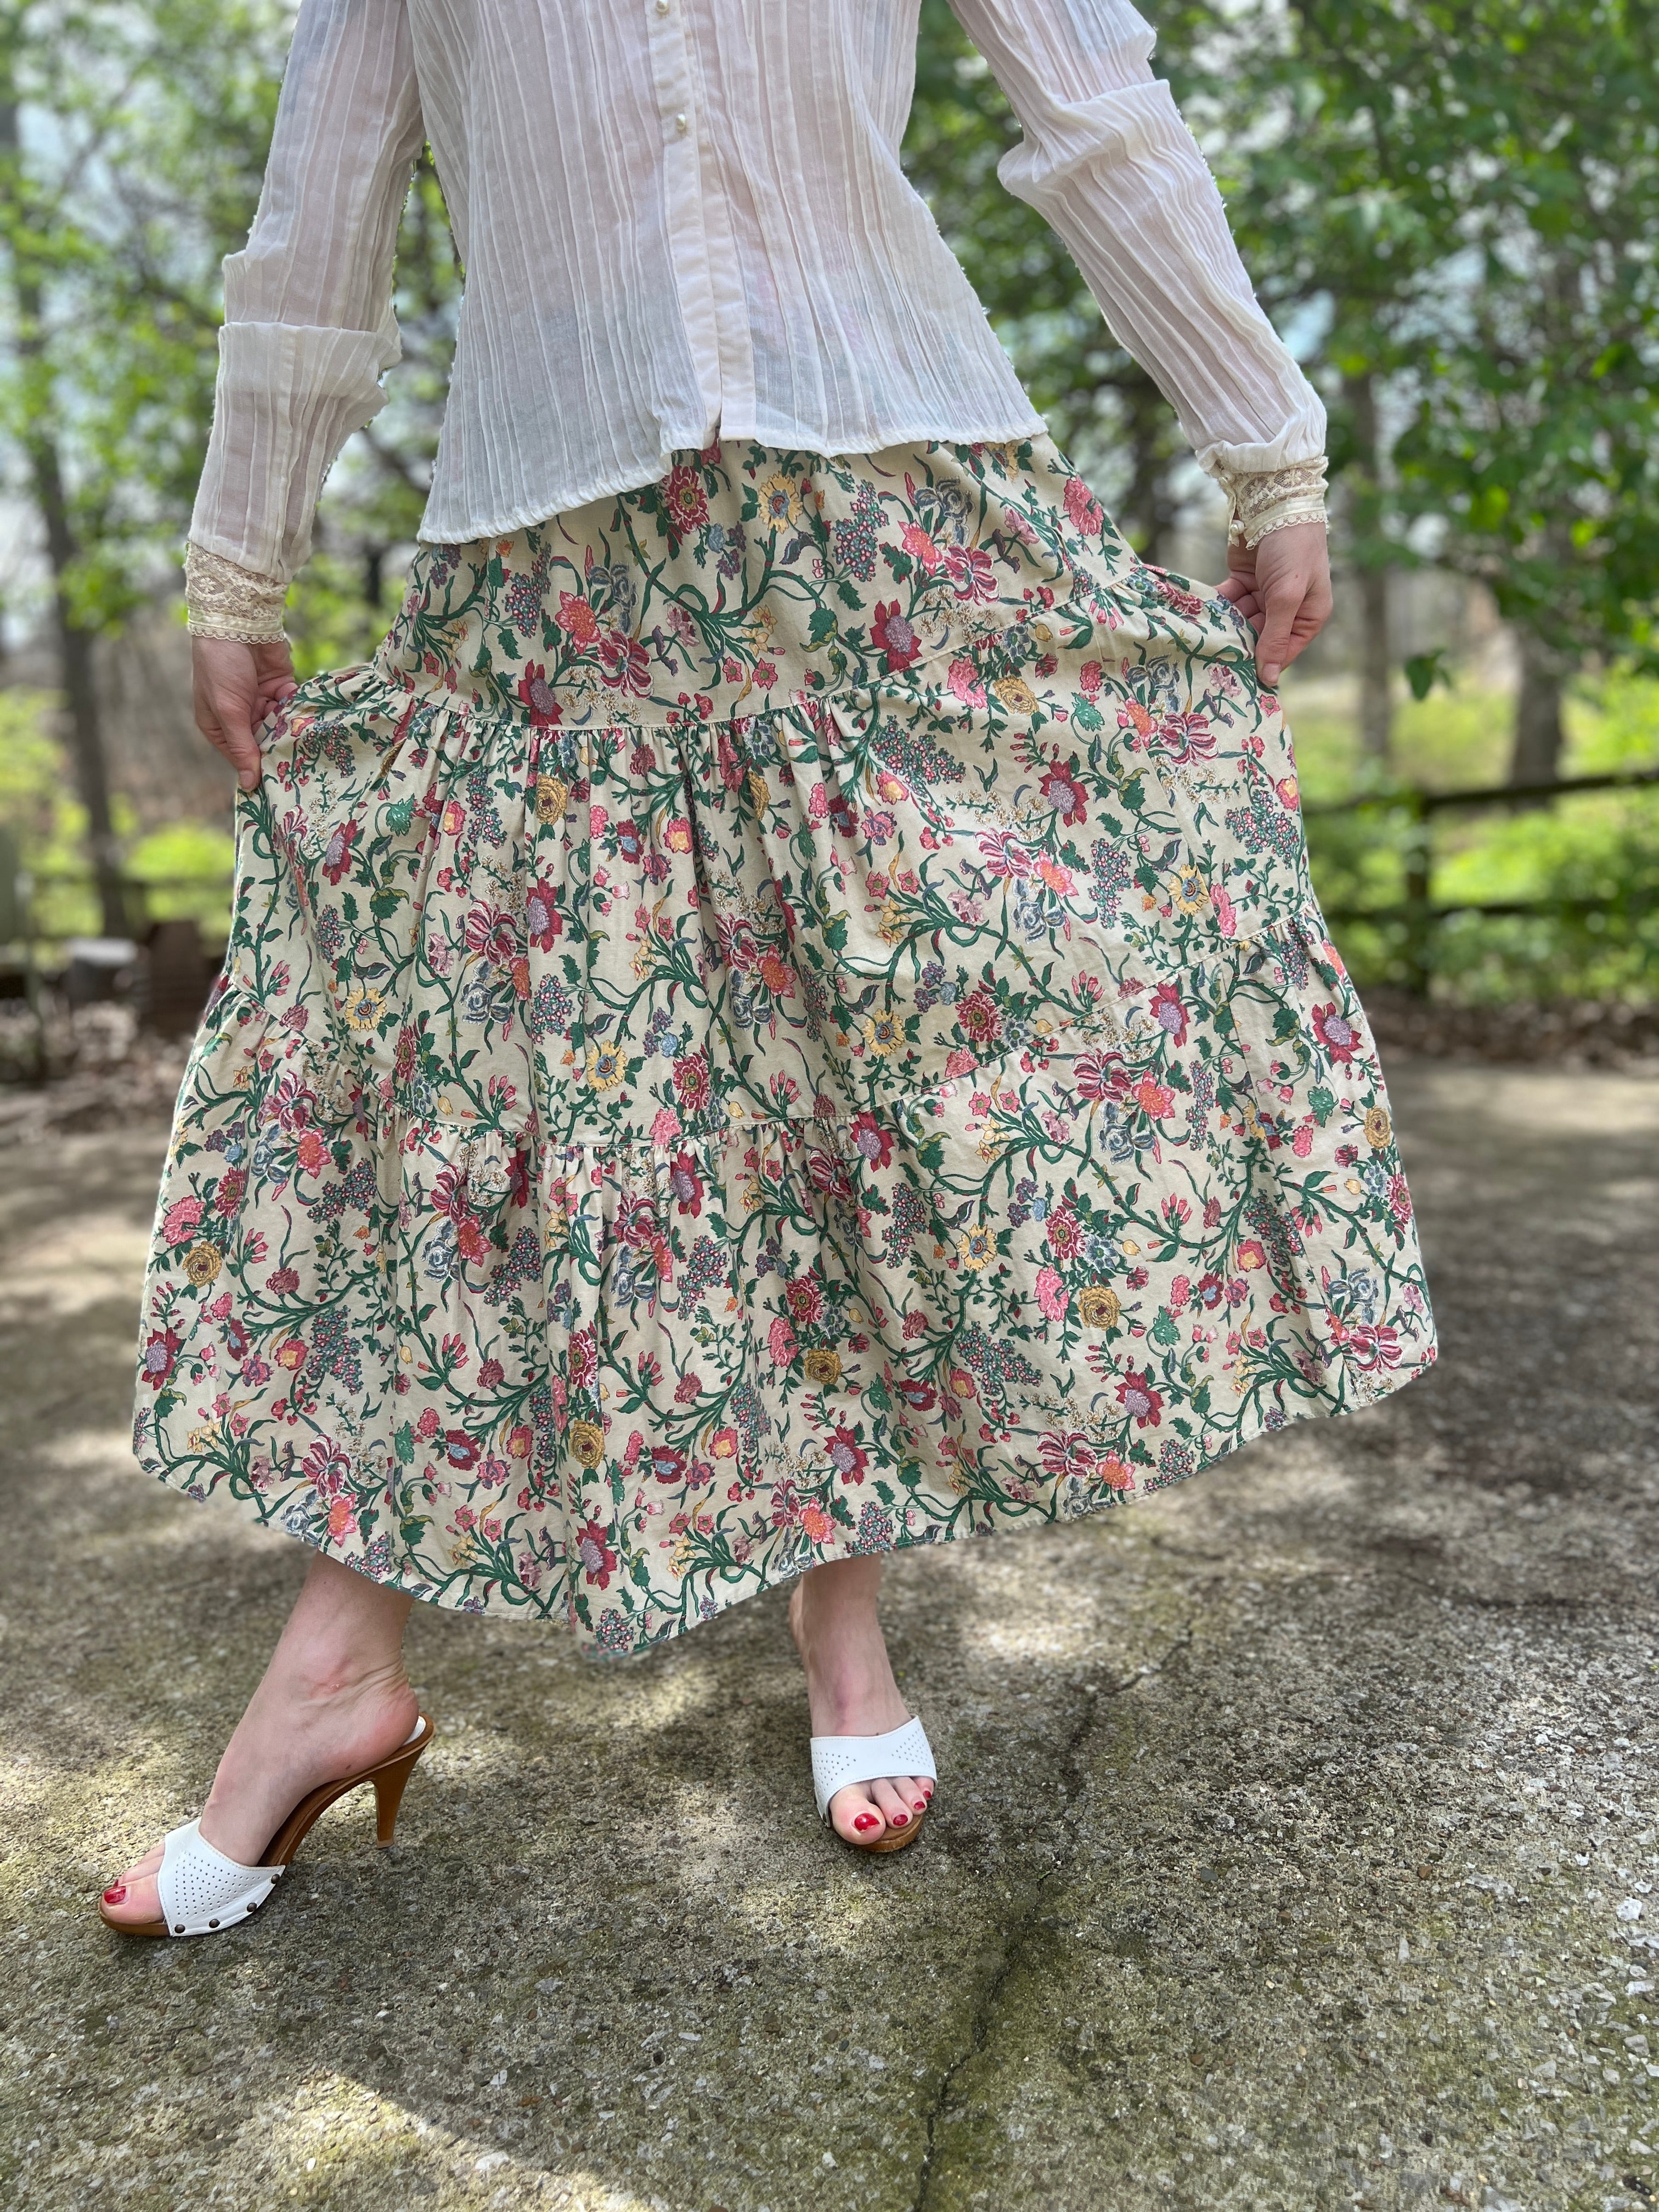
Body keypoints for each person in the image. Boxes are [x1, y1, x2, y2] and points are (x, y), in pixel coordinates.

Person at [101, 0, 1435, 1937]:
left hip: (892, 511)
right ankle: (334, 1666)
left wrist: (1267, 438)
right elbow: (323, 216)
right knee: (504, 1116)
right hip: (559, 562)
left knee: (880, 1082)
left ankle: (844, 1631)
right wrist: (240, 557)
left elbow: (1092, 108)